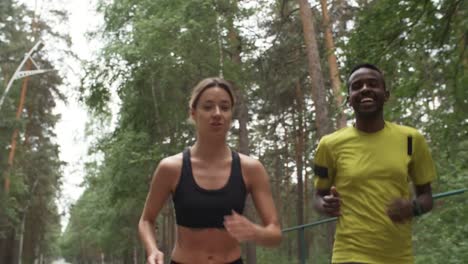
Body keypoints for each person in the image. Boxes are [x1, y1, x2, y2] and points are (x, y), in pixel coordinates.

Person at [138, 77, 282, 264]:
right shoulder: (171, 168)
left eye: (224, 107)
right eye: (207, 107)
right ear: (193, 113)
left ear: (231, 114)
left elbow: (275, 233)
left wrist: (256, 232)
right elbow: (146, 220)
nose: (217, 113)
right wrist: (152, 250)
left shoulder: (251, 169)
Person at [313, 63, 436, 264]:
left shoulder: (411, 139)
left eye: (372, 83)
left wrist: (412, 208)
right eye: (357, 86)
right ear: (349, 100)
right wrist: (325, 204)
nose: (365, 89)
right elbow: (318, 196)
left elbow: (427, 197)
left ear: (385, 94)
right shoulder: (329, 145)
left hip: (399, 256)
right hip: (349, 254)